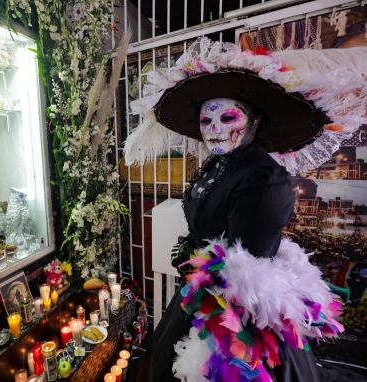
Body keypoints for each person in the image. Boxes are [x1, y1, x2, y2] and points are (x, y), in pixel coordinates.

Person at [124, 38, 367, 382]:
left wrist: (198, 259)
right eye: (206, 122)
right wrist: (193, 253)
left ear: (254, 121)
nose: (215, 130)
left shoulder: (264, 176)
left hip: (237, 319)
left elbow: (245, 265)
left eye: (227, 117)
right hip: (199, 295)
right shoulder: (220, 163)